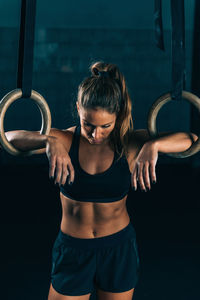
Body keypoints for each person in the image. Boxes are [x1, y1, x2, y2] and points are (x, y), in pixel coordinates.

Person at [3, 61, 197, 300]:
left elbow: (193, 140)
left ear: (118, 115)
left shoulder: (130, 144)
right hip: (73, 250)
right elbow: (8, 137)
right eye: (88, 125)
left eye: (105, 126)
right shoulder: (64, 140)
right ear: (78, 109)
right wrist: (47, 141)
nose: (96, 135)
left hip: (118, 249)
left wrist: (154, 144)